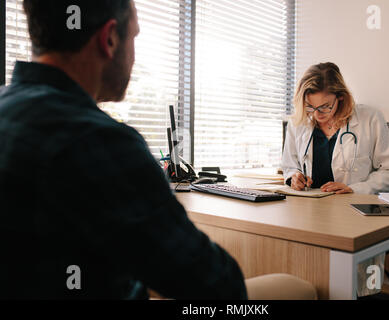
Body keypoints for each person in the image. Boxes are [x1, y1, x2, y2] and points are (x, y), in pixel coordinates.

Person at [0, 0, 316, 300]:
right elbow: (219, 286)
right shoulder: (98, 140)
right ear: (109, 38)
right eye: (134, 36)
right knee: (296, 289)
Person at [282, 62, 389, 195]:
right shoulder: (298, 122)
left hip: (352, 205)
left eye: (325, 106)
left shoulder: (370, 118)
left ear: (340, 96)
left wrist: (355, 189)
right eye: (310, 106)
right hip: (309, 204)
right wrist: (294, 177)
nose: (317, 114)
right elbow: (289, 166)